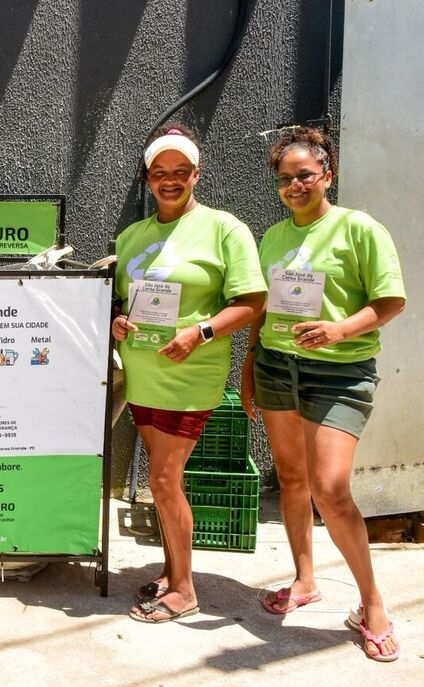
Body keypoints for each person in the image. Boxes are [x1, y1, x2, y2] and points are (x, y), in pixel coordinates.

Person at [242, 126, 404, 661]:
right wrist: (248, 365)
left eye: (304, 175)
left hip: (338, 372)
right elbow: (262, 308)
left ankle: (371, 603)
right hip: (276, 367)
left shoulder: (359, 229)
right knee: (290, 478)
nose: (294, 186)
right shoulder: (272, 237)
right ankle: (305, 579)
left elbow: (389, 301)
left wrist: (339, 330)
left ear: (327, 174)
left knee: (330, 489)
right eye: (285, 179)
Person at [113, 124, 266, 623]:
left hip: (189, 376)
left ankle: (183, 590)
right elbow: (120, 302)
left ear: (196, 175)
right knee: (163, 483)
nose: (170, 180)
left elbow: (250, 303)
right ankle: (171, 569)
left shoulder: (226, 229)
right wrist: (116, 322)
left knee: (162, 478)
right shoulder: (132, 236)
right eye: (160, 173)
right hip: (142, 377)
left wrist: (199, 333)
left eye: (181, 172)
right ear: (147, 179)